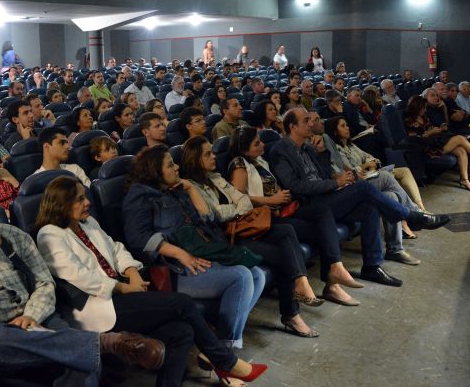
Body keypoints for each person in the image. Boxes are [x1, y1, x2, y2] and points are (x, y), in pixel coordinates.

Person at [35, 176, 266, 387]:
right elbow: (77, 275)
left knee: (181, 331)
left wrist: (131, 270)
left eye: (85, 197)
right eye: (79, 199)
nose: (87, 203)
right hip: (95, 307)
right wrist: (123, 287)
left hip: (121, 295)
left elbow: (116, 248)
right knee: (183, 304)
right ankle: (226, 362)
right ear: (61, 204)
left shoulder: (88, 223)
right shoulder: (50, 234)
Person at [0, 185, 165, 386]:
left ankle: (91, 346)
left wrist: (31, 315)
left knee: (83, 366)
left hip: (41, 319)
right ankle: (103, 343)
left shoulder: (13, 235)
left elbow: (44, 282)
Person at [269, 108, 450, 286]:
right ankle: (411, 216)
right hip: (310, 205)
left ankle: (372, 266)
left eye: (311, 119)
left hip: (327, 196)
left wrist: (323, 153)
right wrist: (336, 183)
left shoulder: (308, 147)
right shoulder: (280, 150)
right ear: (293, 127)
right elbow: (296, 186)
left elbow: (323, 174)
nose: (311, 124)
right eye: (306, 121)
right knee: (363, 188)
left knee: (368, 208)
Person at [181, 136, 328, 336]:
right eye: (207, 154)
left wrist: (233, 208)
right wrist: (235, 208)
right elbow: (213, 215)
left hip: (245, 226)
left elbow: (244, 201)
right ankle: (292, 314)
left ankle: (301, 282)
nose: (214, 156)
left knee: (286, 230)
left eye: (213, 152)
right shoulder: (191, 187)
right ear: (194, 159)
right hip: (229, 237)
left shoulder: (215, 177)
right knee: (285, 257)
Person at [122, 146, 266, 349]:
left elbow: (206, 218)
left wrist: (190, 189)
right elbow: (139, 239)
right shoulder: (140, 196)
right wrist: (181, 254)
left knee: (258, 274)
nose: (177, 167)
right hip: (174, 269)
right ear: (155, 171)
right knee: (241, 275)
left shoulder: (176, 190)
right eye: (170, 165)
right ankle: (223, 350)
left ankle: (218, 343)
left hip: (201, 252)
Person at [227, 126, 364, 306]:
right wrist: (270, 199)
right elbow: (240, 199)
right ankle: (330, 283)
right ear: (244, 149)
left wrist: (280, 195)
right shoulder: (239, 165)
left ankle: (334, 275)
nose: (263, 145)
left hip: (277, 212)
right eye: (256, 143)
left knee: (322, 217)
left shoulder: (259, 161)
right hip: (261, 220)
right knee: (312, 231)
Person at [325, 116, 431, 249]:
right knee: (387, 177)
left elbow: (369, 157)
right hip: (359, 181)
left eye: (347, 125)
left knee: (393, 192)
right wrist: (365, 166)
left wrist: (372, 163)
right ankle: (415, 215)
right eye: (343, 126)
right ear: (334, 131)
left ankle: (396, 245)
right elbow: (350, 170)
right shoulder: (336, 150)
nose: (347, 128)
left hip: (370, 174)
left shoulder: (351, 145)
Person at [404, 95, 470, 191]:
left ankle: (464, 179)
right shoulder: (409, 121)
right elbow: (413, 139)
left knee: (461, 150)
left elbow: (430, 130)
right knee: (459, 139)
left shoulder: (424, 117)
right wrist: (429, 133)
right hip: (427, 149)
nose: (424, 110)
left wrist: (439, 129)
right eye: (423, 108)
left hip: (435, 142)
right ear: (416, 107)